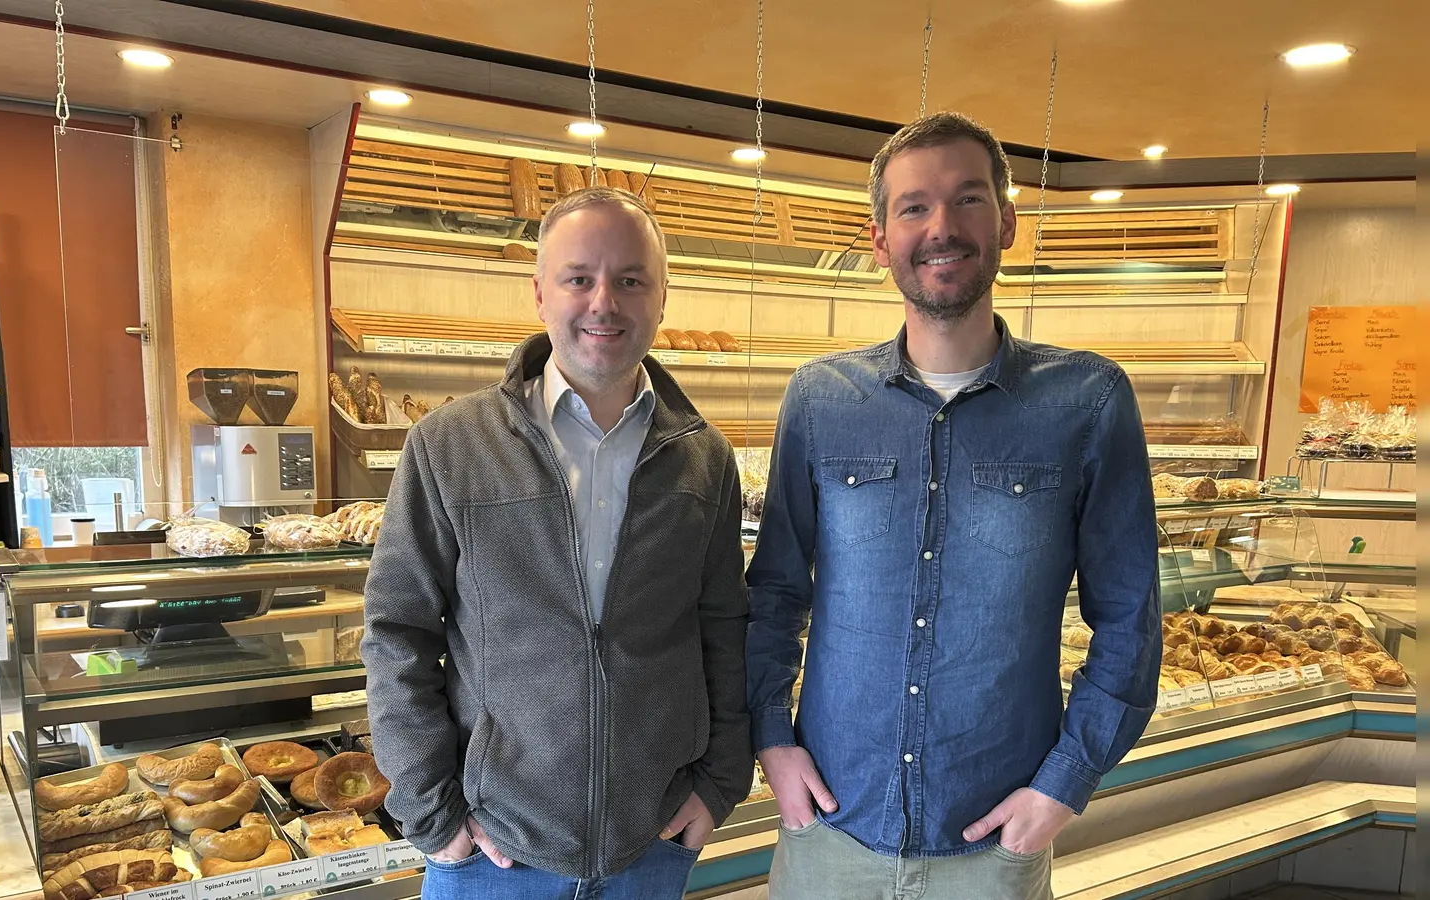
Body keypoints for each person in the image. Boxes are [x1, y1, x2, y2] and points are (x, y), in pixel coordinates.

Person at [746, 111, 1161, 899]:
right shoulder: (819, 399)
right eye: (913, 207)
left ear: (1006, 221)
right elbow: (772, 595)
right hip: (831, 832)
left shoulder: (1089, 400)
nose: (942, 227)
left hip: (993, 846)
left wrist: (1064, 785)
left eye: (968, 200)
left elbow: (1130, 617)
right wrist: (773, 741)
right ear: (880, 240)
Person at [362, 186, 752, 900]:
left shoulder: (705, 459)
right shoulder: (452, 445)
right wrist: (430, 811)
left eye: (631, 280)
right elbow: (398, 632)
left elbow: (723, 629)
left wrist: (722, 780)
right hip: (490, 855)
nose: (604, 302)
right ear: (540, 293)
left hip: (651, 846)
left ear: (662, 298)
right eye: (580, 278)